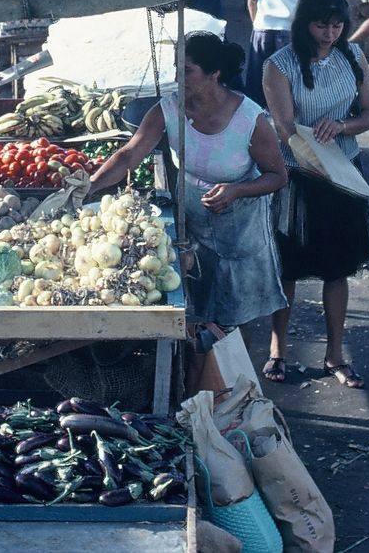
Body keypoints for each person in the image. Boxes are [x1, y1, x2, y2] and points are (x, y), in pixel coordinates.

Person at [84, 32, 287, 392]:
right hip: (192, 221)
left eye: (187, 70)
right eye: (176, 68)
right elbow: (130, 155)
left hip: (240, 229)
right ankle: (195, 392)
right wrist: (89, 185)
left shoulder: (250, 120)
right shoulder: (169, 108)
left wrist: (237, 189)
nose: (178, 77)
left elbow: (277, 176)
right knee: (195, 316)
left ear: (214, 74)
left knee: (233, 319)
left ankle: (237, 394)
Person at [262, 0, 369, 389]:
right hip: (298, 174)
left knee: (338, 267)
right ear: (303, 24)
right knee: (288, 267)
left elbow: (368, 115)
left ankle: (335, 354)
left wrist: (342, 126)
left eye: (336, 26)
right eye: (321, 26)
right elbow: (284, 127)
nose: (329, 34)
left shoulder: (354, 56)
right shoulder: (280, 65)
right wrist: (313, 151)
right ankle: (279, 349)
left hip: (344, 170)